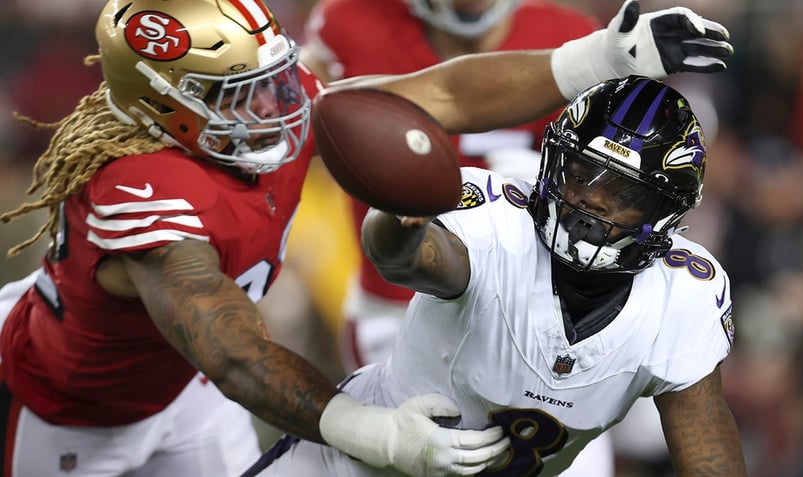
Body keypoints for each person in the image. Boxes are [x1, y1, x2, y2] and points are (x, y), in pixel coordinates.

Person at [0, 0, 733, 475]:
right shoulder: (143, 184)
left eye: (273, 77)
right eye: (239, 93)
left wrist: (602, 58)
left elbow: (442, 94)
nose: (278, 102)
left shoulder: (265, 124)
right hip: (76, 410)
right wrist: (365, 428)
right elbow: (227, 344)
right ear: (170, 108)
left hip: (186, 391)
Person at [254, 75, 748, 477]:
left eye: (622, 191)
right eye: (581, 173)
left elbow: (705, 446)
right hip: (360, 462)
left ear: (663, 210)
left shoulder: (683, 295)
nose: (591, 198)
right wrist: (398, 218)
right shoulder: (497, 219)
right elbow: (407, 258)